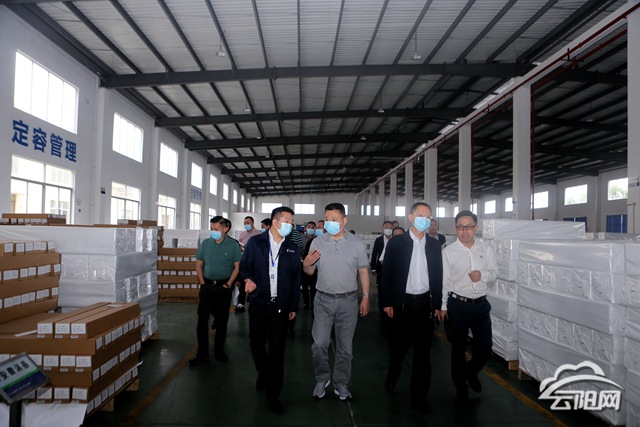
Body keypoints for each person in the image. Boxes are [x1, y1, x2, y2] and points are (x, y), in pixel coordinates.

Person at [303, 202, 370, 401]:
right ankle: (322, 378)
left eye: (334, 219)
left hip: (348, 301)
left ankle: (341, 383)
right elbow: (310, 271)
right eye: (327, 219)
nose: (329, 223)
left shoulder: (356, 243)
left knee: (345, 348)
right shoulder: (317, 242)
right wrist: (306, 264)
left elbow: (363, 271)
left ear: (344, 220)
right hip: (323, 300)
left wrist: (366, 297)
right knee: (319, 344)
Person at [380, 202, 443, 413]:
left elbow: (438, 276)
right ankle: (393, 374)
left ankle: (419, 397)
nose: (425, 219)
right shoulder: (397, 243)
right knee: (398, 349)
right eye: (420, 215)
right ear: (411, 217)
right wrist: (387, 302)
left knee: (423, 355)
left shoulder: (434, 245)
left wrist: (437, 304)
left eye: (428, 216)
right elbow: (387, 274)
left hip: (425, 305)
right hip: (402, 305)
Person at [240, 206, 301, 414]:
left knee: (277, 350)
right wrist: (248, 280)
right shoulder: (255, 243)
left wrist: (293, 305)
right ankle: (264, 372)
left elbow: (296, 279)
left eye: (291, 222)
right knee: (256, 343)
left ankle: (274, 394)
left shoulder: (292, 247)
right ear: (275, 222)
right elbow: (245, 267)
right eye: (287, 221)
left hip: (281, 306)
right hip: (259, 303)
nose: (290, 225)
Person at [436, 210, 497, 407]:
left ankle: (471, 372)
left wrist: (483, 276)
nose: (465, 231)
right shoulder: (448, 252)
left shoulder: (485, 249)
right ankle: (461, 389)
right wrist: (443, 306)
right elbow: (444, 281)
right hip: (458, 305)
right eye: (461, 227)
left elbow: (494, 272)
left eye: (469, 227)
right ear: (455, 229)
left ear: (476, 228)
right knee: (458, 350)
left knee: (485, 348)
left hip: (480, 305)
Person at [190, 216, 241, 366]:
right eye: (211, 229)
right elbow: (199, 264)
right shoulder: (205, 244)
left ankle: (219, 350)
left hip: (223, 287)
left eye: (216, 229)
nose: (213, 232)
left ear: (225, 229)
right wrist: (202, 282)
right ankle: (202, 354)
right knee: (202, 320)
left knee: (222, 320)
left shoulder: (233, 245)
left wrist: (229, 284)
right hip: (206, 286)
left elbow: (237, 266)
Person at [235, 216, 262, 313]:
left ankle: (254, 302)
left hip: (256, 262)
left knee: (255, 282)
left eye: (248, 223)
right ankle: (240, 303)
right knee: (243, 282)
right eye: (245, 223)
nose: (246, 225)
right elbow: (239, 247)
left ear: (253, 223)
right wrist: (241, 248)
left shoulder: (259, 234)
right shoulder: (242, 235)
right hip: (244, 261)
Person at [371, 221, 394, 313]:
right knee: (381, 289)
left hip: (393, 270)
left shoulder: (395, 239)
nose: (388, 229)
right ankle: (381, 309)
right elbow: (374, 254)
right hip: (381, 269)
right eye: (386, 227)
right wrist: (373, 268)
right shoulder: (378, 240)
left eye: (390, 228)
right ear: (383, 229)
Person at [301, 221, 317, 309]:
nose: (310, 228)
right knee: (305, 285)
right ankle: (306, 303)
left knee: (313, 285)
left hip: (315, 265)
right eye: (309, 227)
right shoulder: (301, 238)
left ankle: (314, 302)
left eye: (312, 227)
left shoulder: (317, 239)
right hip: (303, 263)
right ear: (305, 228)